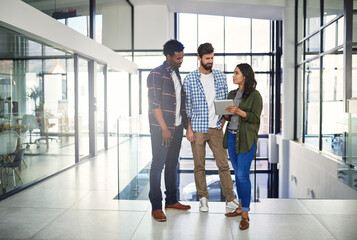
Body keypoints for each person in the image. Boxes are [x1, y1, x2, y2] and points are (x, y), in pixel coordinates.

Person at [183, 42, 239, 213]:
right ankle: (203, 199)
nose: (210, 61)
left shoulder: (220, 77)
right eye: (207, 58)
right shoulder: (190, 79)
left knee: (223, 165)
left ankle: (230, 199)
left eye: (212, 58)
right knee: (199, 165)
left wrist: (222, 121)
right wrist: (189, 129)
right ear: (199, 58)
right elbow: (187, 107)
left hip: (216, 128)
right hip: (198, 128)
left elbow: (224, 103)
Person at [147, 39, 191, 222]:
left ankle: (171, 200)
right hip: (162, 130)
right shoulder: (156, 74)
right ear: (168, 56)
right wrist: (165, 128)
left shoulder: (176, 74)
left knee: (173, 164)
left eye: (182, 57)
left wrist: (185, 125)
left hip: (178, 127)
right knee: (158, 166)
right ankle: (156, 206)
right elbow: (154, 103)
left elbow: (180, 103)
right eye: (178, 58)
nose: (181, 61)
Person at [223, 63, 263, 230]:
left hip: (246, 139)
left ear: (245, 76)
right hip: (232, 138)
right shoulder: (232, 93)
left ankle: (245, 214)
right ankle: (240, 207)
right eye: (233, 73)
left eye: (236, 73)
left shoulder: (255, 95)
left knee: (242, 176)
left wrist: (238, 111)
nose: (233, 76)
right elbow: (228, 116)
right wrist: (226, 113)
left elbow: (254, 117)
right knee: (237, 175)